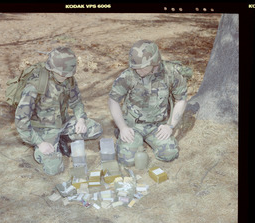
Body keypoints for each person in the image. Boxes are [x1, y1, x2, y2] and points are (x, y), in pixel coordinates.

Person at [15, 47, 103, 175]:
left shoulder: (69, 78)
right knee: (54, 169)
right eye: (61, 73)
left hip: (63, 123)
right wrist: (40, 143)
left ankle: (61, 138)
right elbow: (21, 121)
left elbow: (76, 102)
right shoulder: (35, 85)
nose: (64, 76)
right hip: (43, 131)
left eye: (68, 73)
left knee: (95, 129)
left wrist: (81, 120)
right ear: (51, 68)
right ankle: (45, 146)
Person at [108, 40, 188, 166]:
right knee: (127, 160)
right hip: (133, 125)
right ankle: (123, 135)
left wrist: (170, 126)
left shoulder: (171, 73)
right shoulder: (129, 75)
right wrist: (123, 127)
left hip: (157, 125)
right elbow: (113, 100)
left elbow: (181, 100)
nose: (138, 71)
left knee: (170, 153)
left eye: (143, 67)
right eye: (136, 67)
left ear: (155, 62)